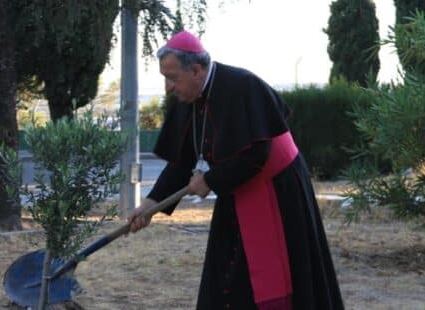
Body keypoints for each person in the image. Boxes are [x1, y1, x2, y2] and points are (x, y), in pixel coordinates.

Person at [128, 31, 344, 309]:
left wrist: (210, 180)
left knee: (281, 279)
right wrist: (149, 205)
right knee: (228, 275)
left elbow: (258, 152)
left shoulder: (242, 86)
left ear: (195, 70)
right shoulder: (188, 98)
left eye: (172, 78)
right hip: (236, 187)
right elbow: (180, 162)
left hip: (278, 193)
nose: (169, 87)